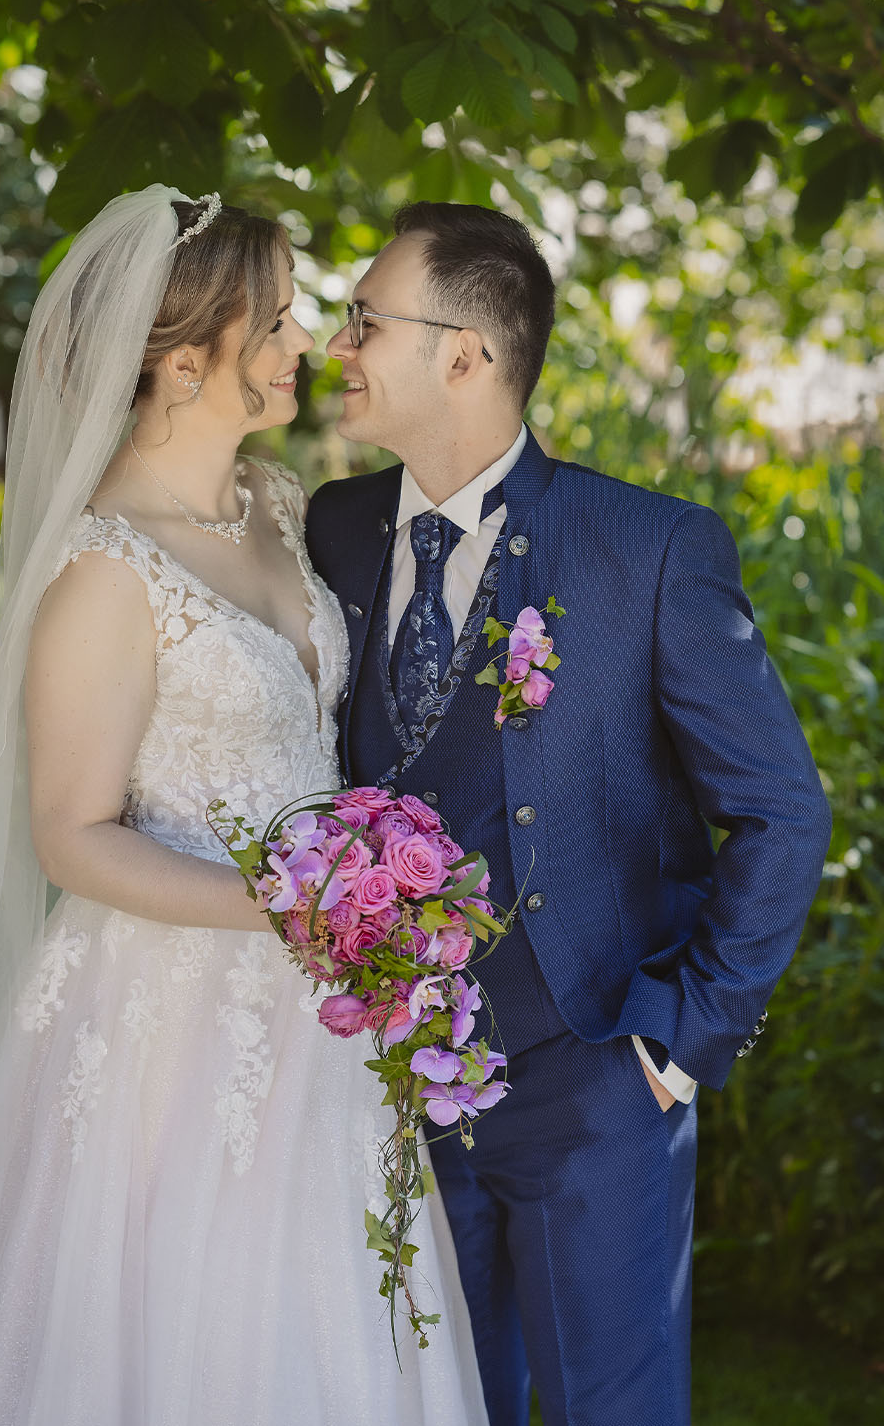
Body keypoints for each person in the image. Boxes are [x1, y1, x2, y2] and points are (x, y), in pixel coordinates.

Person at [0, 187, 488, 1424]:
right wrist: (290, 914)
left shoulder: (275, 505)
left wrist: (364, 897)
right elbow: (72, 832)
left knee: (325, 1307)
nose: (304, 347)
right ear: (175, 362)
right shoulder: (107, 567)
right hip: (174, 1003)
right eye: (273, 324)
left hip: (324, 994)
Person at [306, 203, 830, 1426]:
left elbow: (778, 811)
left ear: (463, 355)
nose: (338, 344)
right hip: (378, 1090)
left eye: (363, 319)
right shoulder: (327, 531)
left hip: (594, 1082)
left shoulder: (644, 548)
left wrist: (677, 1038)